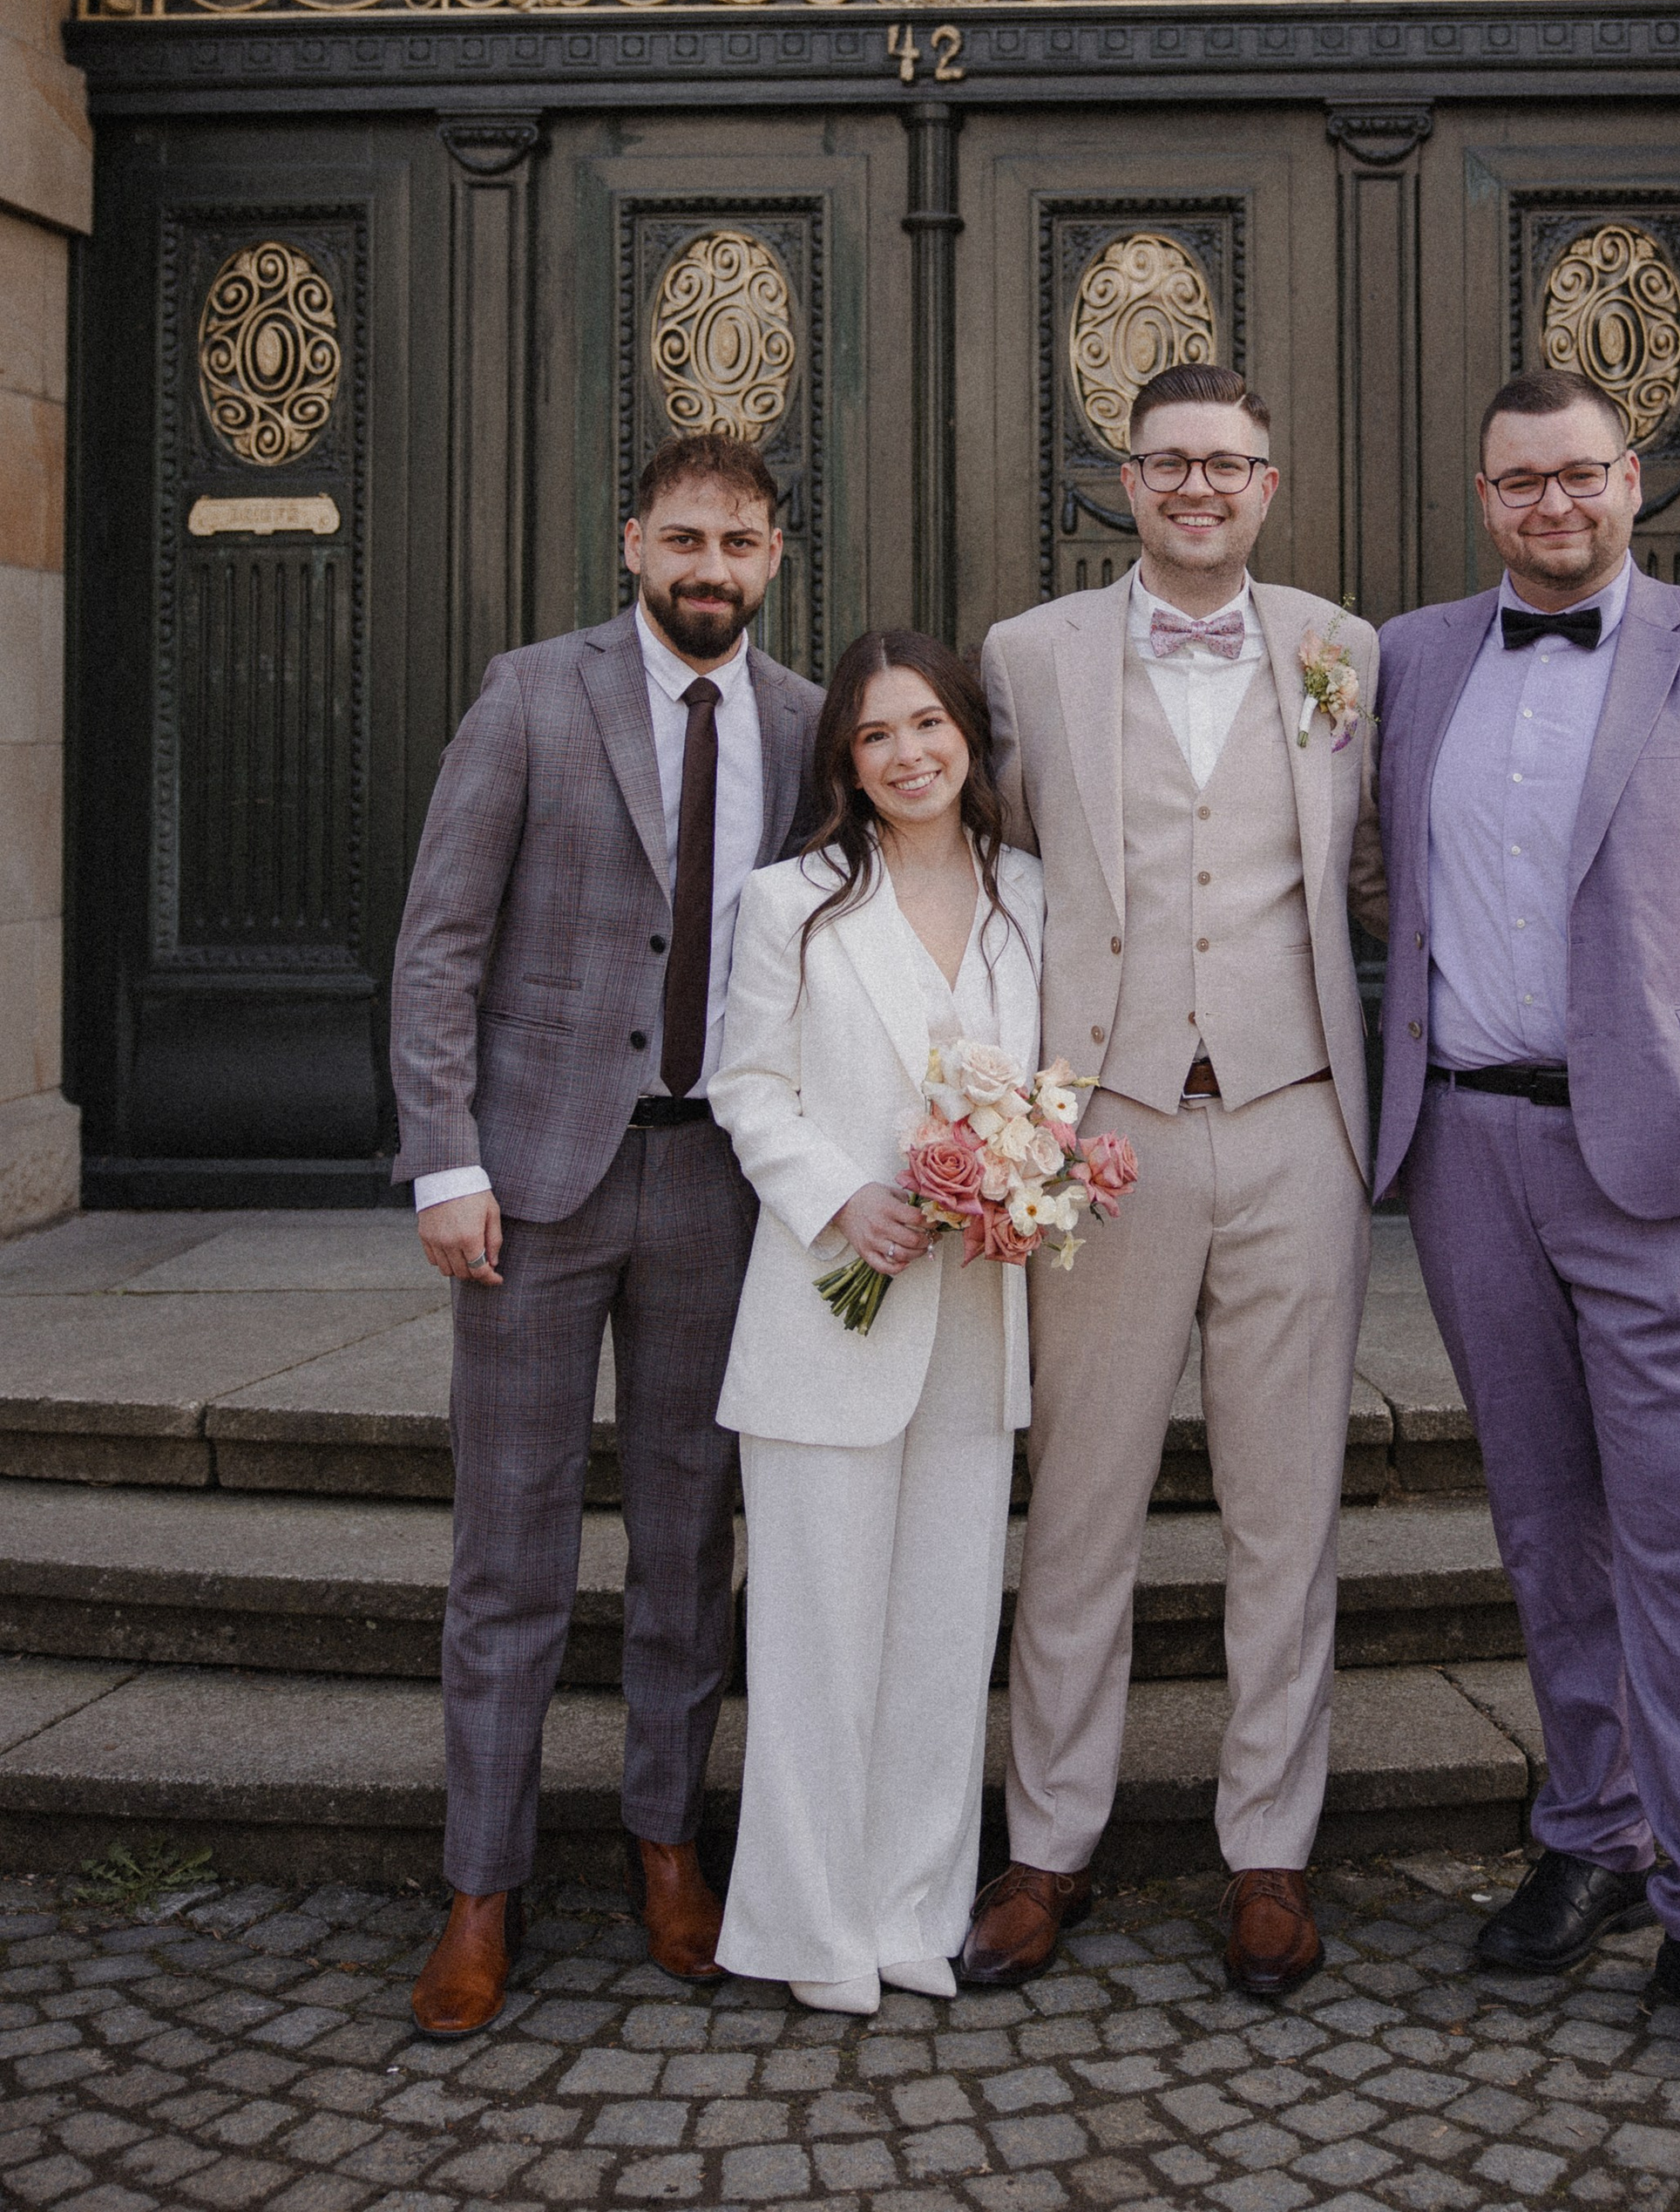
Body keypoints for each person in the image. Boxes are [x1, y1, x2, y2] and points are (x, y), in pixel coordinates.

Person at [1372, 369, 1680, 2081]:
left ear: (1629, 475)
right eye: (1518, 482)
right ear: (1482, 492)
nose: (1551, 505)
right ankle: (1590, 1829)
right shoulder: (1410, 657)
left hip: (1665, 1163)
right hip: (1467, 1156)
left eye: (1578, 473)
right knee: (1540, 1521)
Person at [390, 436, 823, 2038]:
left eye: (742, 542)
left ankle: (666, 1843)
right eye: (686, 537)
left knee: (685, 1547)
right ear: (633, 536)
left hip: (718, 1186)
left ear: (775, 556)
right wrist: (446, 1160)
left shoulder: (797, 724)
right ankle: (481, 1885)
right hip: (536, 1183)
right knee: (507, 1552)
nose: (711, 566)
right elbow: (439, 946)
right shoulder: (528, 693)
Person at [966, 363, 1383, 1998]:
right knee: (1079, 1505)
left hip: (1295, 1119)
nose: (1196, 485)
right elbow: (994, 861)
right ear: (1124, 482)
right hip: (1105, 1129)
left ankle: (1269, 1851)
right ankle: (1045, 1845)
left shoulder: (1343, 649)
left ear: (1268, 481)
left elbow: (1369, 871)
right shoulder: (1027, 656)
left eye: (1226, 462)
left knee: (1288, 1511)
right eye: (1165, 462)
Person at [705, 632, 1042, 2016]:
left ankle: (915, 1907)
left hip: (972, 1313)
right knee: (814, 1637)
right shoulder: (794, 900)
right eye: (875, 735)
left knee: (945, 1635)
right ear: (844, 760)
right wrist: (845, 1199)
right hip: (826, 1314)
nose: (907, 754)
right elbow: (749, 1085)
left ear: (968, 733)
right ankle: (807, 1922)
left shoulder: (1028, 893)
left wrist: (1026, 1175)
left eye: (928, 725)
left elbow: (1045, 1082)